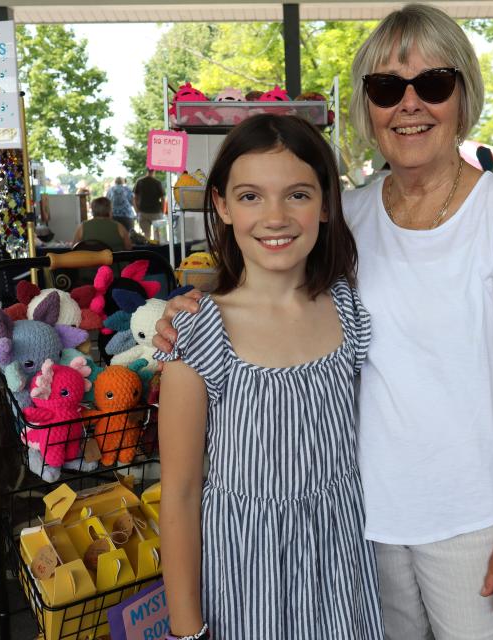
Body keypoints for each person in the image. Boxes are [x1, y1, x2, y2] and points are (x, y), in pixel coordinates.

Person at [155, 5, 493, 638]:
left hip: (468, 520)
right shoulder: (348, 214)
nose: (409, 104)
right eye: (385, 87)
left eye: (433, 83)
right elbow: (274, 274)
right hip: (360, 522)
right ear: (366, 105)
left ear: (463, 96)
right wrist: (190, 312)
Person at [153, 114, 383, 640]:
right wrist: (186, 629)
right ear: (222, 206)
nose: (274, 216)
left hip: (341, 569)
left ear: (326, 205)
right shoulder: (196, 331)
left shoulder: (350, 309)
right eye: (251, 196)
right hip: (243, 581)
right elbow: (182, 493)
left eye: (297, 195)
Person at [134, 169, 166, 240]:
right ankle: (157, 250)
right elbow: (163, 199)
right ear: (154, 171)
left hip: (143, 212)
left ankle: (147, 250)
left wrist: (137, 211)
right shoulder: (157, 183)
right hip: (156, 212)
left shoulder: (140, 182)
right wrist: (163, 212)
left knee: (146, 235)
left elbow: (135, 198)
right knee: (158, 237)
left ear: (147, 171)